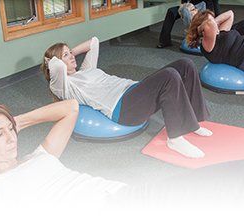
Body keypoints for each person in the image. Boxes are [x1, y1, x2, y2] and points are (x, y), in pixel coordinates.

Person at [42, 36, 212, 158]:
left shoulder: (86, 69)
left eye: (70, 53)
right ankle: (175, 139)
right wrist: (53, 59)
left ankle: (194, 121)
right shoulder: (64, 86)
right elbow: (57, 67)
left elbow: (93, 42)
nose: (72, 56)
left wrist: (70, 51)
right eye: (66, 55)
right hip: (123, 108)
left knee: (186, 64)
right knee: (170, 76)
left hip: (134, 90)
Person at [0, 101, 127, 206]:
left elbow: (71, 108)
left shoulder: (40, 154)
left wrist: (17, 122)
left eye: (11, 130)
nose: (12, 138)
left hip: (120, 193)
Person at [187, 10, 244, 81]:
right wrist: (202, 26)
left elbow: (230, 14)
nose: (214, 22)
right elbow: (209, 24)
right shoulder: (207, 44)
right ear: (203, 29)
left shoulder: (219, 35)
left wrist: (215, 23)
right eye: (211, 20)